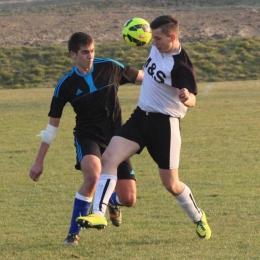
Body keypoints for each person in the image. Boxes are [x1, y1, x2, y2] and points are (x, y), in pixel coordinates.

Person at [76, 15, 211, 240]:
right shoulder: (158, 45)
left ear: (173, 37)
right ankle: (99, 213)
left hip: (165, 125)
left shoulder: (181, 66)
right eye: (152, 38)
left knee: (171, 184)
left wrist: (186, 96)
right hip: (140, 117)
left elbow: (193, 101)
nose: (153, 43)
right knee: (109, 158)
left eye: (157, 39)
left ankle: (198, 217)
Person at [29, 32, 144, 245]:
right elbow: (52, 126)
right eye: (84, 52)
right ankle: (73, 234)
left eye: (92, 51)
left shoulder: (110, 67)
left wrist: (172, 81)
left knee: (129, 199)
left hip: (118, 139)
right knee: (92, 176)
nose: (89, 56)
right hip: (88, 137)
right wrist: (39, 161)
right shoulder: (65, 85)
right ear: (73, 54)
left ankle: (111, 200)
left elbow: (145, 78)